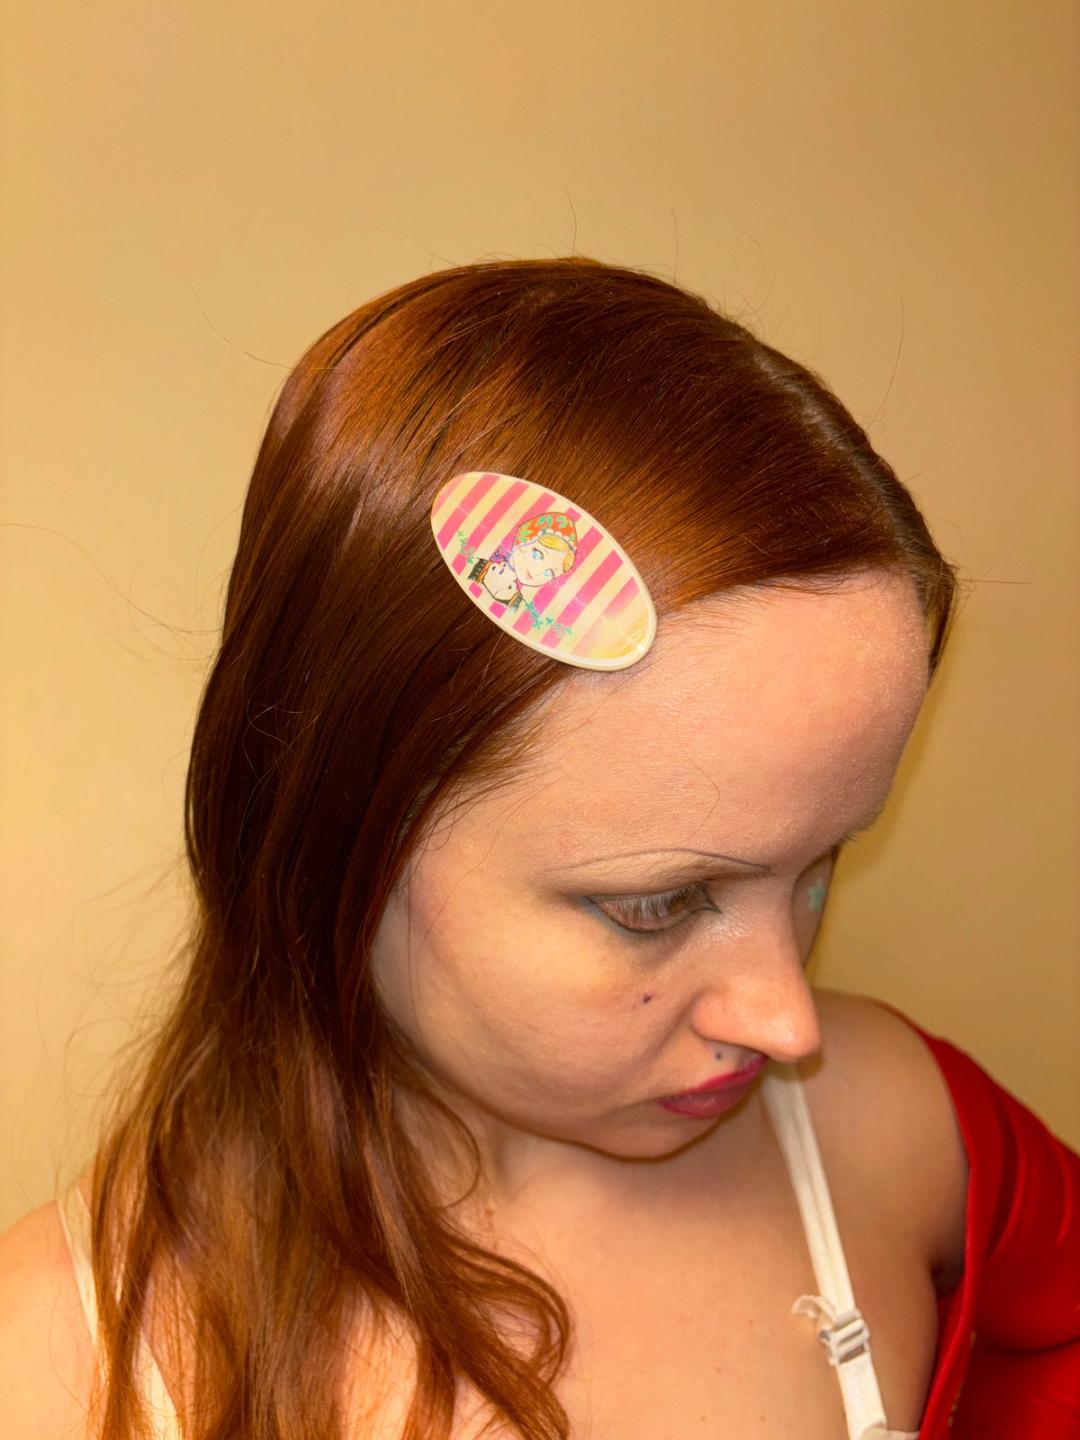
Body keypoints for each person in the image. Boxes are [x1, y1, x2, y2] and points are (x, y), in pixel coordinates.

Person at [0, 256, 1076, 1440]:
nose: (788, 1021)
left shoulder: (892, 1132)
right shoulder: (58, 1373)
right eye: (658, 905)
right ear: (343, 834)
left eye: (820, 867)